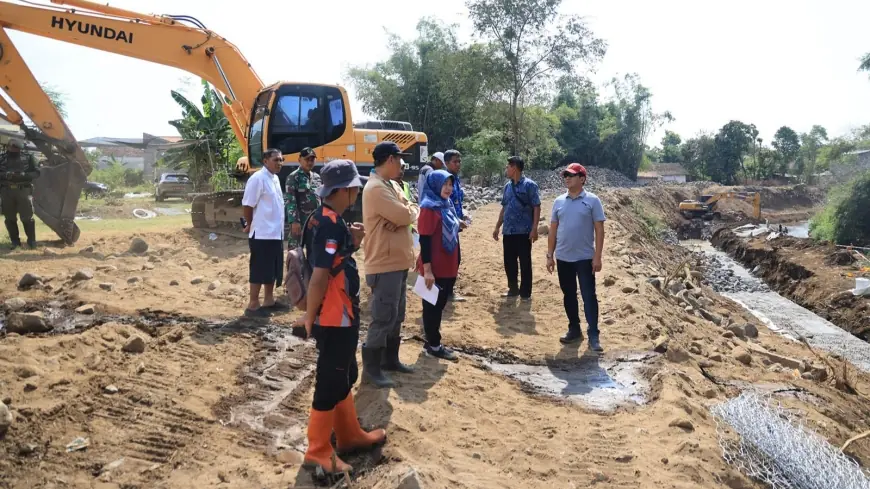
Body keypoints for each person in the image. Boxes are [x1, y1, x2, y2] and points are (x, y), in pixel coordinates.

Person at [300, 160, 383, 477]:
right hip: (335, 316)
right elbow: (320, 276)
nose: (358, 192)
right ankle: (318, 450)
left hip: (338, 312)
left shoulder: (321, 218)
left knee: (345, 374)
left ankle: (348, 434)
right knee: (330, 379)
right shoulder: (331, 225)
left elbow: (330, 260)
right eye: (355, 188)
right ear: (346, 190)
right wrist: (309, 317)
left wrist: (354, 243)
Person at [361, 141, 420, 388]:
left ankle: (390, 360)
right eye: (399, 159)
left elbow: (412, 209)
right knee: (383, 316)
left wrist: (404, 214)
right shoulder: (375, 188)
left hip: (398, 261)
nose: (402, 164)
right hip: (383, 263)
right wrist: (403, 215)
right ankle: (372, 369)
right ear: (389, 160)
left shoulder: (392, 185)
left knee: (396, 315)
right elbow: (405, 214)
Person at [546, 163, 606, 352]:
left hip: (585, 258)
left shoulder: (592, 201)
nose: (567, 178)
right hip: (563, 257)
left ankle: (593, 334)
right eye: (566, 175)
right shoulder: (558, 202)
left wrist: (598, 256)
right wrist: (550, 255)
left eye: (571, 175)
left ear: (582, 179)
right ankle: (574, 328)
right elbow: (553, 230)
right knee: (569, 295)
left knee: (589, 296)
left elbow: (599, 229)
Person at [417, 169, 461, 361]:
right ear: (435, 185)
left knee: (440, 302)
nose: (448, 188)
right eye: (445, 184)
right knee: (431, 305)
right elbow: (424, 240)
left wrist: (459, 222)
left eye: (450, 184)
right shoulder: (428, 207)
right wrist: (427, 270)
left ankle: (432, 340)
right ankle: (434, 345)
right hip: (434, 266)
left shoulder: (446, 204)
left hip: (448, 264)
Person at [241, 148, 289, 317]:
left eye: (281, 160)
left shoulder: (275, 179)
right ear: (265, 161)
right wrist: (249, 223)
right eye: (276, 160)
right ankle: (253, 304)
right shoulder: (257, 179)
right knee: (259, 268)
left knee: (273, 269)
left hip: (275, 233)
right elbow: (248, 205)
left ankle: (269, 300)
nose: (279, 163)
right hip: (261, 233)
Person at [492, 156, 541, 301]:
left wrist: (535, 228)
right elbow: (504, 207)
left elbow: (536, 206)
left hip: (524, 231)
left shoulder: (530, 185)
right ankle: (513, 289)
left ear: (514, 168)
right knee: (509, 262)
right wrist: (497, 227)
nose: (506, 169)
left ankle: (525, 293)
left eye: (508, 166)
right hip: (508, 231)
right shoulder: (507, 187)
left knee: (525, 262)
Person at [0, 138, 40, 249]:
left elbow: (37, 172)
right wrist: (6, 175)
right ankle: (15, 242)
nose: (14, 149)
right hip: (7, 191)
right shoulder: (1, 158)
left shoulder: (28, 157)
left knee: (27, 217)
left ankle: (31, 242)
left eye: (16, 147)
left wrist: (23, 175)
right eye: (12, 146)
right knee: (10, 218)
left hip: (23, 190)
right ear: (8, 146)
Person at [443, 149, 468, 302]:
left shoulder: (455, 179)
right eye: (455, 161)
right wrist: (455, 220)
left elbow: (456, 202)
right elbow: (443, 204)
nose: (458, 164)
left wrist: (462, 214)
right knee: (451, 258)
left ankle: (448, 290)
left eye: (459, 161)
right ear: (446, 163)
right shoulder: (444, 180)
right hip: (446, 226)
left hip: (454, 226)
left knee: (454, 258)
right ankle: (446, 292)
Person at [285, 147, 322, 248]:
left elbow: (320, 198)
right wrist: (294, 221)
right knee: (296, 254)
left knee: (314, 251)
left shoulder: (317, 178)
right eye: (307, 159)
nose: (310, 162)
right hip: (300, 222)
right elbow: (290, 200)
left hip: (315, 221)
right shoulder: (293, 177)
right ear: (299, 160)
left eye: (312, 159)